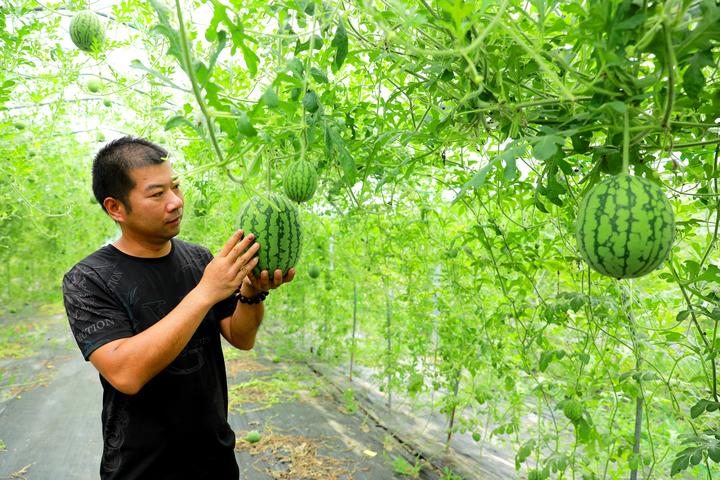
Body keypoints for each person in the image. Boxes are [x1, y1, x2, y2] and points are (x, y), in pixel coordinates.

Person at [62, 136, 294, 479]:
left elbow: (241, 337)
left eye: (176, 187)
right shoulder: (88, 279)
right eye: (157, 194)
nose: (175, 202)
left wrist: (251, 291)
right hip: (141, 467)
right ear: (115, 208)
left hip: (214, 457)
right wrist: (204, 293)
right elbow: (125, 374)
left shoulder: (198, 259)